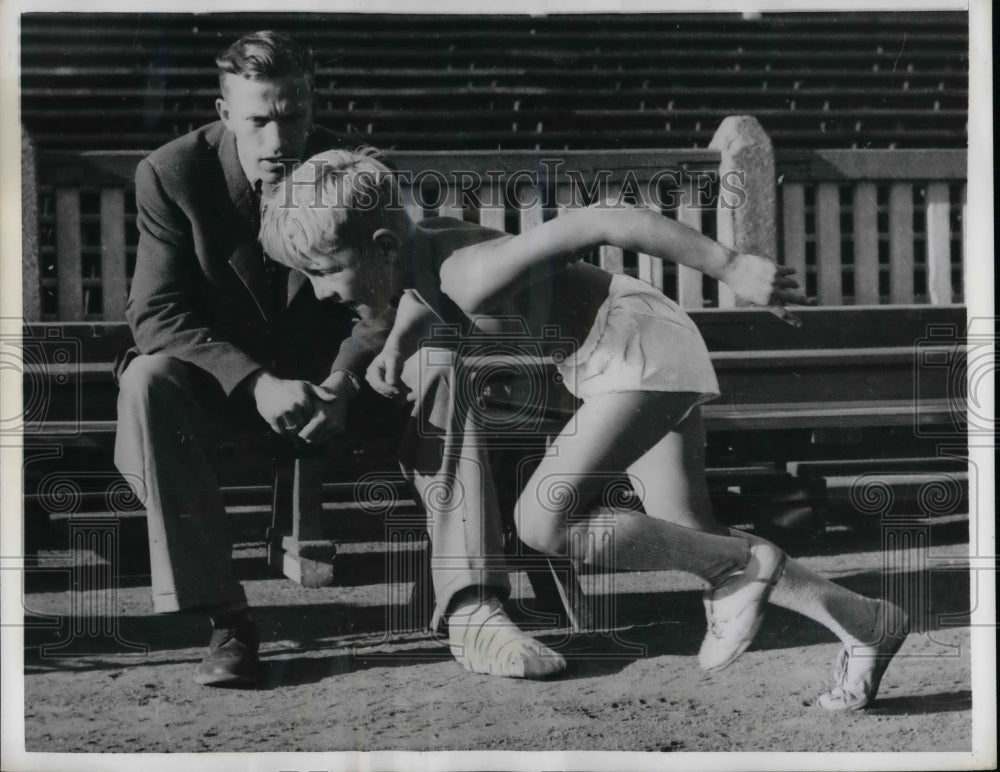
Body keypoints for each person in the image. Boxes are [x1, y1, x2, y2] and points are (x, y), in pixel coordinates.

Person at [259, 148, 910, 708]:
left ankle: (747, 564)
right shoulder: (415, 251)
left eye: (323, 271)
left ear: (379, 247)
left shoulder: (473, 276)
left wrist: (730, 265)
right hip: (618, 351)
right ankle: (867, 622)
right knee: (689, 535)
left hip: (634, 348)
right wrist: (392, 354)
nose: (318, 292)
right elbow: (407, 299)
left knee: (545, 520)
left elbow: (600, 219)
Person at [113, 32, 397, 687]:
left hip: (332, 385)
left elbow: (385, 298)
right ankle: (228, 621)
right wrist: (256, 384)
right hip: (226, 388)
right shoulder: (172, 173)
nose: (278, 140)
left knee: (441, 366)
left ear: (311, 104)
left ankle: (476, 597)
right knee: (148, 382)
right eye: (258, 121)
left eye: (292, 116)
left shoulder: (351, 166)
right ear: (223, 112)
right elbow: (156, 316)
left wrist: (343, 382)